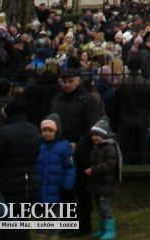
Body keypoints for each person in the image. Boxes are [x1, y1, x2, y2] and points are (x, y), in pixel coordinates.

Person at [49, 68, 102, 237]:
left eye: (71, 81)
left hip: (80, 153)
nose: (67, 85)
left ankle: (83, 223)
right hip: (60, 150)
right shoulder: (58, 98)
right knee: (66, 190)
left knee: (82, 190)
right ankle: (68, 221)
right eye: (64, 82)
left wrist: (78, 146)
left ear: (78, 81)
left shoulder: (87, 100)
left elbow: (91, 126)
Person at [37, 114, 76, 240]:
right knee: (40, 212)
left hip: (57, 188)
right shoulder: (37, 146)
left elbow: (70, 168)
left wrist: (67, 186)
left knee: (55, 213)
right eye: (44, 130)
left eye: (50, 131)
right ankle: (40, 233)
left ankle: (54, 234)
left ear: (56, 131)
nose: (47, 133)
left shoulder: (64, 147)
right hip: (40, 186)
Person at [84, 119, 119, 240]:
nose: (94, 137)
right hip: (98, 183)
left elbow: (109, 165)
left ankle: (110, 229)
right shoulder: (96, 149)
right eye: (93, 135)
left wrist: (94, 170)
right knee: (100, 207)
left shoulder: (109, 148)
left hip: (105, 184)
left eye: (97, 135)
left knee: (105, 207)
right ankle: (102, 228)